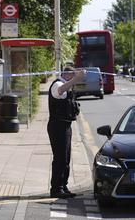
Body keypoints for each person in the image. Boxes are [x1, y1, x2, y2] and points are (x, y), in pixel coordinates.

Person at [48, 66, 85, 199]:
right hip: (57, 126)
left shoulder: (66, 84)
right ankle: (56, 188)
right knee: (60, 158)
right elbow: (59, 91)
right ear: (67, 75)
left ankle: (63, 186)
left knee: (66, 158)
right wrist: (75, 79)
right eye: (72, 75)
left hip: (65, 125)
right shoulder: (57, 84)